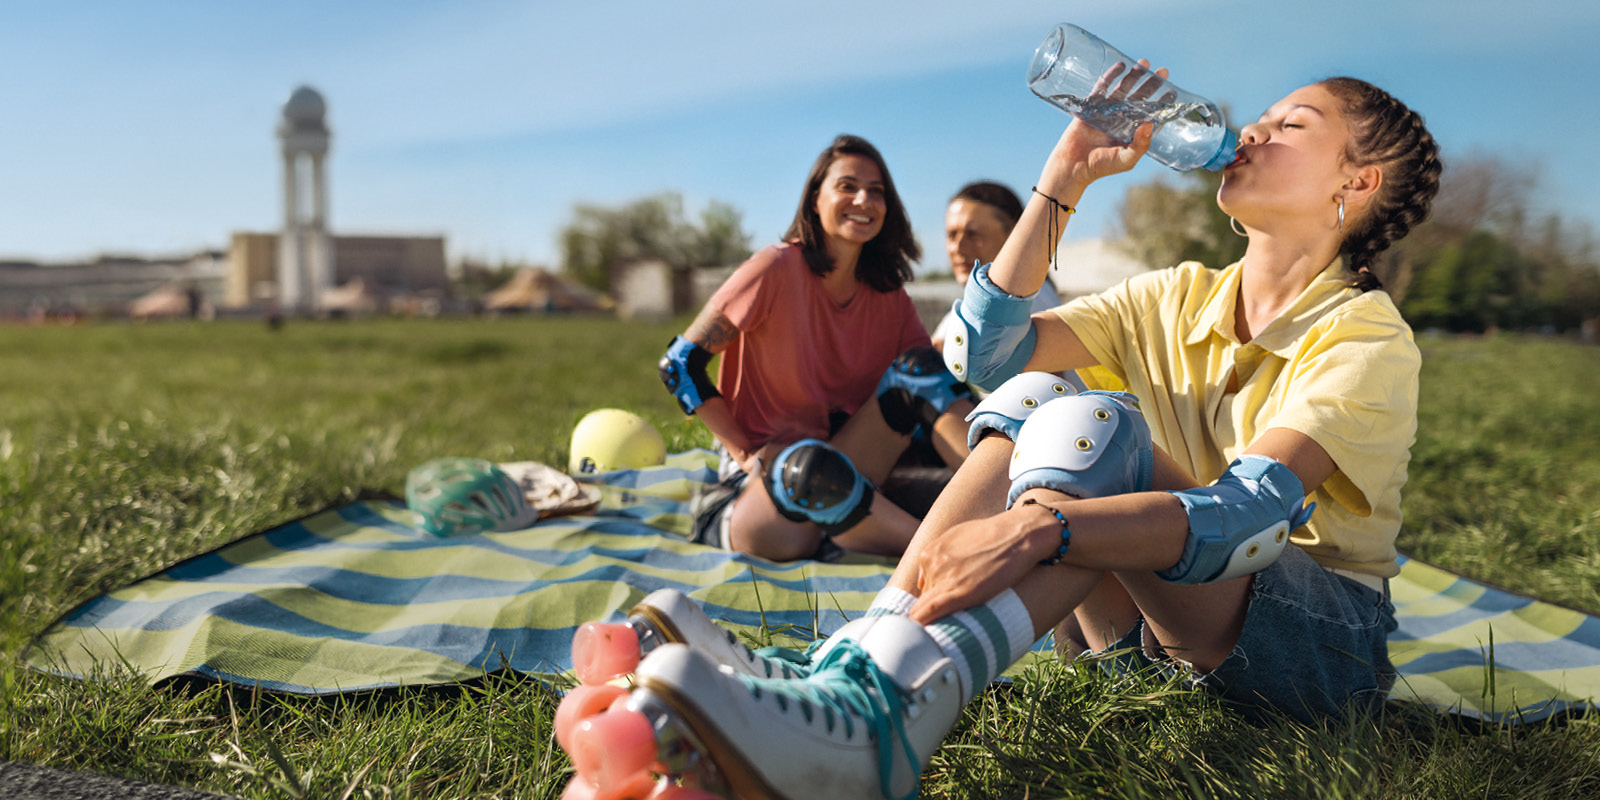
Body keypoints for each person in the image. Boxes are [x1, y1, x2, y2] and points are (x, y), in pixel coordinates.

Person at [582, 68, 1443, 800]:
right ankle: (852, 681)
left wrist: (1037, 527)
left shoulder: (1365, 337)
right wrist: (1062, 177)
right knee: (1042, 391)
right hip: (1148, 629)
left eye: (1292, 124)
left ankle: (876, 723)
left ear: (1356, 182)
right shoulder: (1177, 295)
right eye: (1263, 115)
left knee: (1100, 423)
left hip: (1314, 649)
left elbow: (1247, 519)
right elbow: (982, 353)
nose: (1253, 128)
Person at [660, 134, 976, 563]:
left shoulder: (888, 294)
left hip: (846, 465)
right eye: (847, 186)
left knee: (922, 370)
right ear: (814, 199)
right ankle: (952, 554)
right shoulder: (773, 268)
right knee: (809, 467)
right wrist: (745, 453)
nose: (863, 199)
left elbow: (929, 393)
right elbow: (680, 366)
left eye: (876, 191)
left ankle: (1003, 496)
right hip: (769, 485)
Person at [929, 181, 1063, 352]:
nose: (958, 248)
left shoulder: (1026, 300)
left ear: (1014, 236)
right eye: (952, 235)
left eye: (973, 234)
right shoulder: (966, 310)